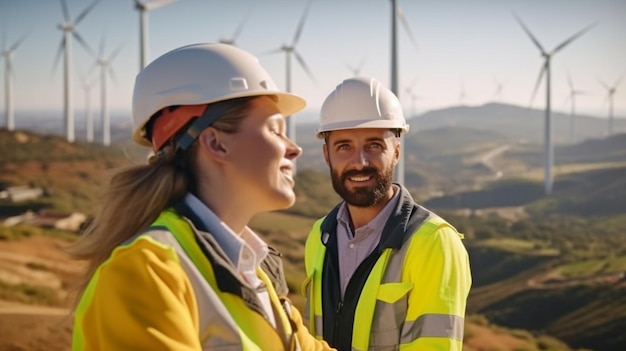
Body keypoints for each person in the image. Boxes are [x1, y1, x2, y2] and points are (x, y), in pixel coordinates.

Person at [69, 42, 334, 351]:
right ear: (216, 143)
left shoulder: (255, 272)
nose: (294, 148)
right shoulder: (146, 271)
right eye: (275, 131)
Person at [303, 77, 472, 351]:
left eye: (374, 146)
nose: (360, 162)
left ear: (396, 152)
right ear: (326, 155)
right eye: (344, 146)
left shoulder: (433, 243)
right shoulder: (319, 236)